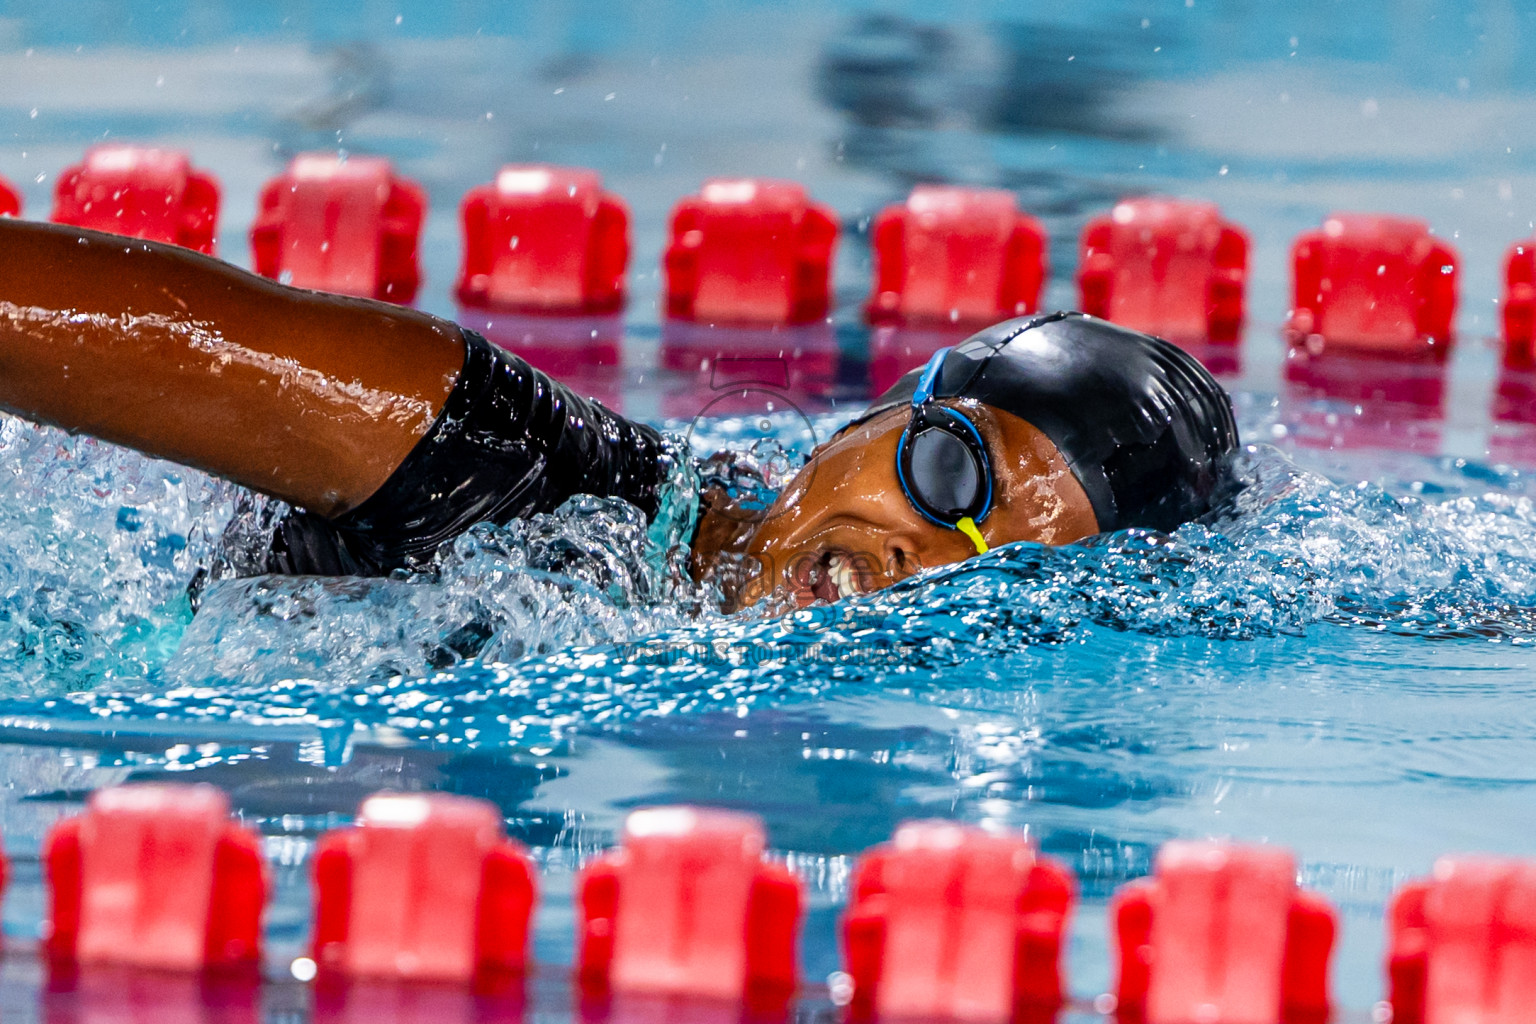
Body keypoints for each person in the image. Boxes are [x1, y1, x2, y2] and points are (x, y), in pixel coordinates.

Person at [0, 219, 1240, 609]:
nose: (928, 562)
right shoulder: (481, 456)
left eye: (1010, 577)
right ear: (878, 411)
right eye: (953, 479)